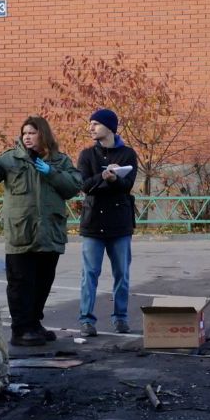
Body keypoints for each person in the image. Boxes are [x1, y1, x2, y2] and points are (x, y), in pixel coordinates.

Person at [0, 117, 82, 346]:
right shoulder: (12, 158)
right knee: (21, 283)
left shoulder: (60, 161)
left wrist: (51, 172)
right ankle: (21, 330)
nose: (27, 137)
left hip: (49, 232)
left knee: (43, 281)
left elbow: (73, 187)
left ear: (43, 135)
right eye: (24, 133)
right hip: (21, 232)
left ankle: (34, 324)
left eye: (32, 132)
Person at [76, 109, 138, 337]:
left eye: (95, 124)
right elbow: (84, 185)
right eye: (90, 124)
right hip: (93, 224)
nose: (91, 128)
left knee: (122, 273)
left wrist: (114, 180)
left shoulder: (127, 154)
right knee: (89, 273)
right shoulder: (87, 155)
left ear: (110, 127)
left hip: (120, 223)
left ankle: (120, 318)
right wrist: (103, 177)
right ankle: (86, 320)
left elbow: (127, 185)